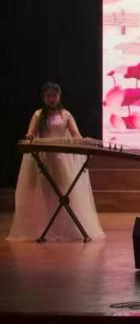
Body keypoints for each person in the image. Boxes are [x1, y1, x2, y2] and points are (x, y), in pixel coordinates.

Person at [8, 82, 105, 242]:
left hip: (61, 158)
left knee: (64, 190)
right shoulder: (38, 114)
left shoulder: (66, 115)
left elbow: (76, 135)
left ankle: (66, 227)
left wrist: (83, 141)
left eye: (54, 95)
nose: (51, 99)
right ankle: (47, 227)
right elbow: (30, 134)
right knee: (46, 192)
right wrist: (30, 138)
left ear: (59, 96)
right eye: (48, 96)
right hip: (44, 157)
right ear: (43, 98)